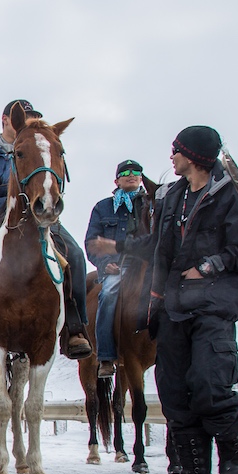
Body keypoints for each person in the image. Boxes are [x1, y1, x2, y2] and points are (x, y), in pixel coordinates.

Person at [111, 126, 238, 474]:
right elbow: (157, 245)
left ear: (195, 156)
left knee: (209, 383)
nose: (171, 157)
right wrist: (119, 246)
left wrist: (210, 266)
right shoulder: (171, 197)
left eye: (176, 150)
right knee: (174, 391)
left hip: (213, 307)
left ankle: (234, 459)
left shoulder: (231, 195)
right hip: (172, 309)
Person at [0, 99, 91, 362]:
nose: (27, 123)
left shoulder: (41, 144)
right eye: (23, 118)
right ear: (6, 120)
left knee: (76, 255)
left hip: (37, 214)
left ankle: (75, 326)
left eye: (32, 118)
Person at [85, 159, 148, 379]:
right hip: (116, 267)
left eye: (136, 172)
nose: (131, 175)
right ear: (116, 180)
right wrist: (104, 264)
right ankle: (106, 356)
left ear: (141, 178)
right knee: (108, 294)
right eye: (126, 172)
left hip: (146, 264)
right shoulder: (103, 207)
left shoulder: (150, 204)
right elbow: (92, 242)